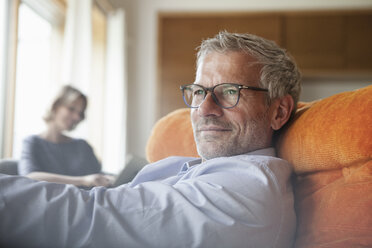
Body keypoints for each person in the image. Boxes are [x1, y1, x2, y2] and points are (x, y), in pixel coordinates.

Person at [0, 31, 301, 247]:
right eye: (199, 91)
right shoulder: (208, 169)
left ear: (279, 111)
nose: (204, 109)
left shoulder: (247, 191)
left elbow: (92, 216)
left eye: (229, 92)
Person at [18, 85, 115, 187]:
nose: (77, 117)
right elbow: (30, 177)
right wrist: (83, 180)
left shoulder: (83, 146)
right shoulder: (33, 142)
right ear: (55, 106)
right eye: (71, 109)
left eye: (80, 113)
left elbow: (98, 176)